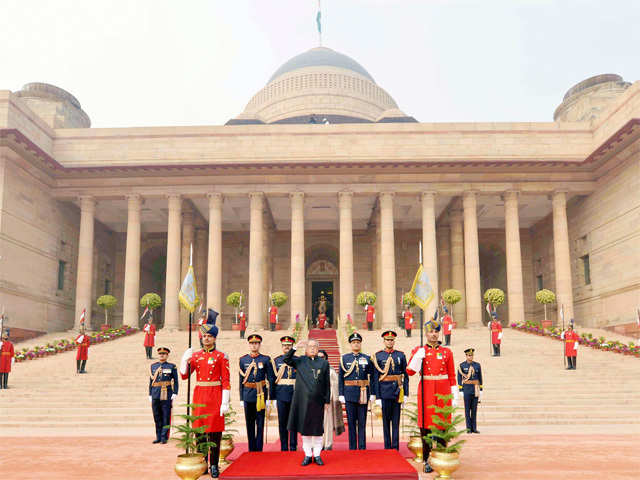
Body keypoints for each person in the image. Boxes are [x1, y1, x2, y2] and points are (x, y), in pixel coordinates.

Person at [180, 309, 230, 478]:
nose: (206, 339)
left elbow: (226, 381)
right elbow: (185, 375)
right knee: (200, 432)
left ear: (215, 338)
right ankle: (203, 463)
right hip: (200, 396)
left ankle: (214, 465)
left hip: (215, 396)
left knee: (215, 433)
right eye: (204, 336)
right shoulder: (196, 356)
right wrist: (183, 361)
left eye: (209, 336)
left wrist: (225, 401)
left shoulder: (221, 356)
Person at [406, 317, 458, 474]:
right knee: (426, 426)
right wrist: (417, 357)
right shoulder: (419, 351)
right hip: (427, 390)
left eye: (436, 331)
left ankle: (441, 455)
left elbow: (451, 375)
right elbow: (409, 371)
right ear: (426, 334)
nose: (434, 334)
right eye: (430, 332)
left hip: (443, 391)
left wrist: (454, 394)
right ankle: (427, 459)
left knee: (442, 424)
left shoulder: (446, 352)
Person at [283, 339, 330, 466]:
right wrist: (295, 347)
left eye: (315, 346)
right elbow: (286, 359)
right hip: (302, 401)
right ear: (306, 349)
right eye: (310, 346)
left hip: (318, 401)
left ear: (318, 348)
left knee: (317, 429)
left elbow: (327, 383)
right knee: (305, 429)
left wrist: (327, 400)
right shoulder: (300, 361)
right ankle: (308, 455)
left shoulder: (324, 363)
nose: (313, 348)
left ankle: (318, 455)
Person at [372, 330, 409, 450]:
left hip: (397, 392)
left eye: (391, 340)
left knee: (396, 422)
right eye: (387, 340)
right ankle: (387, 447)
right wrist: (377, 397)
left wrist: (406, 394)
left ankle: (395, 447)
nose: (390, 342)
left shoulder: (400, 355)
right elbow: (375, 378)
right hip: (384, 392)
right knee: (386, 422)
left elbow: (405, 375)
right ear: (384, 341)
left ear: (394, 341)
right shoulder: (378, 356)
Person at [339, 332, 375, 450]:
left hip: (363, 392)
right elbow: (341, 377)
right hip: (349, 393)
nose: (356, 344)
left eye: (358, 342)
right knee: (351, 422)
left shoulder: (367, 358)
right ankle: (352, 447)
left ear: (360, 344)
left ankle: (362, 446)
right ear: (350, 344)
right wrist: (341, 394)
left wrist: (373, 393)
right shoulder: (344, 358)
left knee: (362, 422)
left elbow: (373, 376)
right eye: (354, 342)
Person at [239, 333, 275, 452]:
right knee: (249, 423)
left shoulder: (265, 359)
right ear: (249, 345)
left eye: (256, 343)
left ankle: (259, 448)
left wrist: (271, 397)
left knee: (260, 422)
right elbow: (241, 380)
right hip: (248, 394)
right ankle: (251, 448)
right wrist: (241, 398)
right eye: (252, 343)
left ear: (259, 345)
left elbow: (270, 378)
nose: (254, 345)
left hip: (261, 394)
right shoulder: (243, 359)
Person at [271, 336, 298, 451]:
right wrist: (271, 398)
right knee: (282, 422)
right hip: (281, 393)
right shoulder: (276, 360)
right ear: (281, 347)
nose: (286, 347)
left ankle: (293, 445)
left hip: (294, 393)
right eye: (284, 345)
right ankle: (283, 446)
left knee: (293, 421)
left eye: (289, 345)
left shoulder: (297, 359)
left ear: (292, 347)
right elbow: (272, 380)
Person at [149, 347, 179, 444]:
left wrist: (175, 393)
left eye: (164, 354)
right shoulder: (153, 366)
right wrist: (150, 393)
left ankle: (164, 437)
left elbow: (176, 381)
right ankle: (158, 436)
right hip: (155, 393)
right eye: (160, 353)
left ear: (167, 355)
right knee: (156, 416)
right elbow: (151, 381)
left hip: (166, 392)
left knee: (166, 415)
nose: (162, 355)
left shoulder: (171, 366)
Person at [317, 349, 344, 450]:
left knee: (327, 424)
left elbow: (335, 385)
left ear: (326, 359)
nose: (320, 359)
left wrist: (331, 399)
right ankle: (316, 445)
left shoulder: (331, 370)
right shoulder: (310, 369)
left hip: (326, 401)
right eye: (318, 357)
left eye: (322, 357)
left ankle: (327, 444)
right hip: (314, 401)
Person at [457, 348, 483, 434]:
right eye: (468, 355)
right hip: (467, 389)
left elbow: (480, 377)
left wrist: (481, 389)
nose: (470, 357)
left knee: (474, 410)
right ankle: (468, 429)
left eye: (471, 355)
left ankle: (474, 428)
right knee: (467, 410)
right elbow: (459, 378)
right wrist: (461, 389)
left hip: (475, 389)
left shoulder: (477, 365)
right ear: (466, 356)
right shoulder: (462, 366)